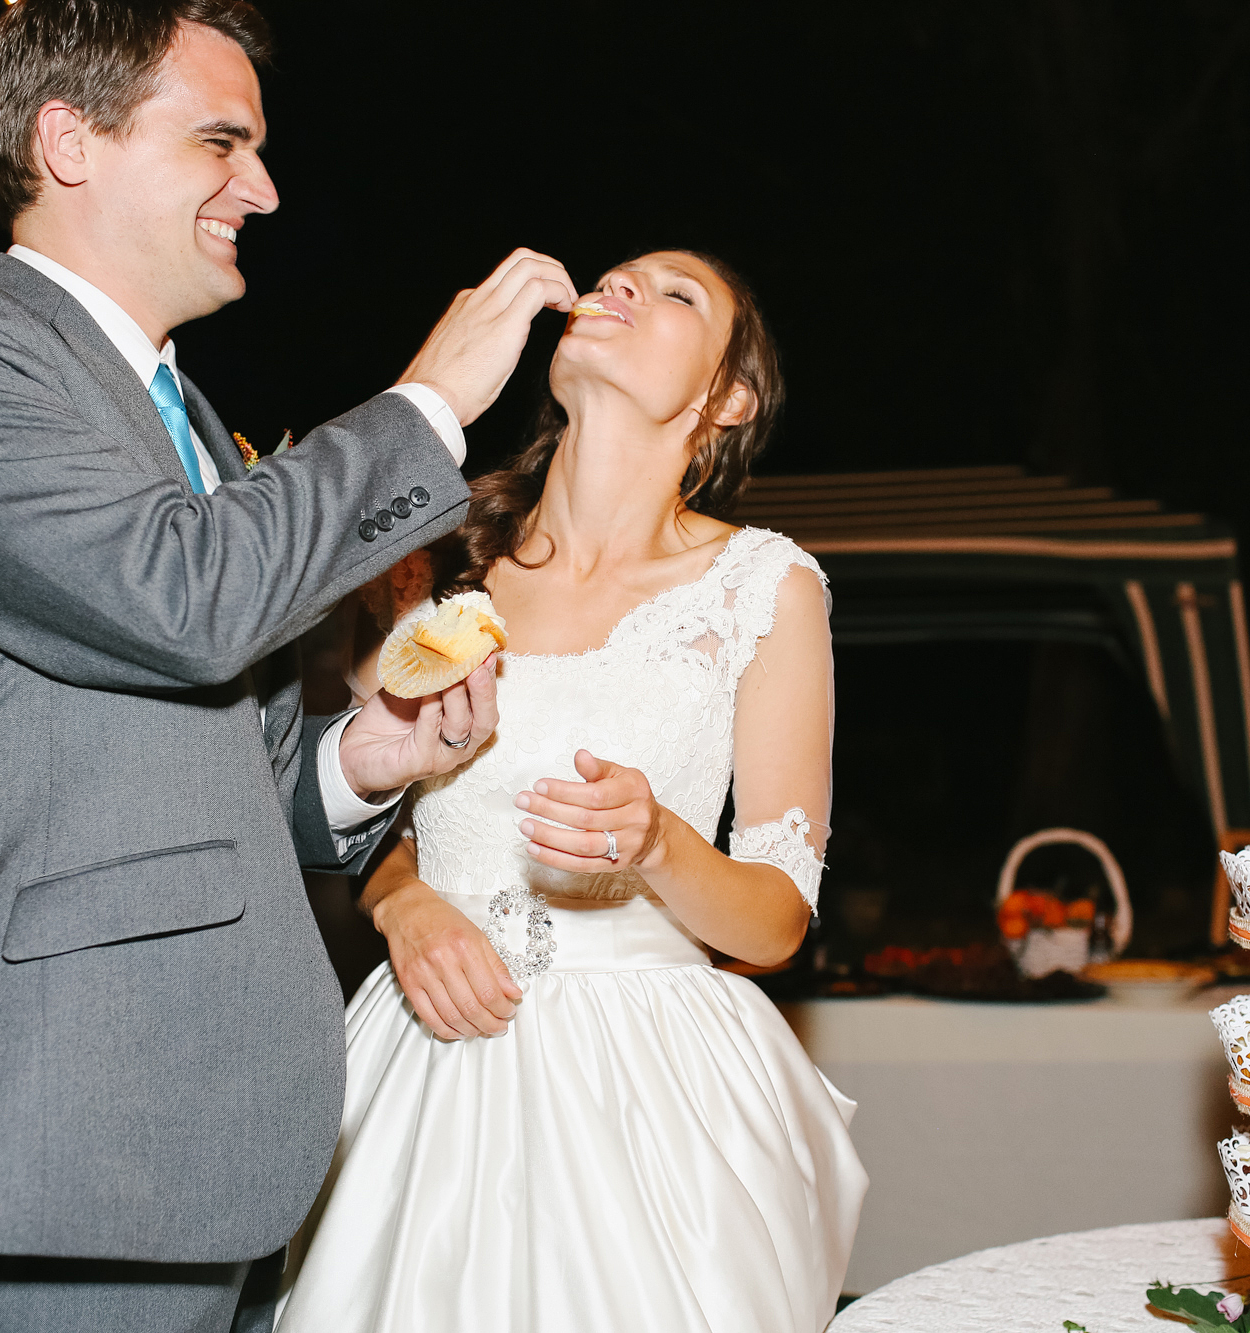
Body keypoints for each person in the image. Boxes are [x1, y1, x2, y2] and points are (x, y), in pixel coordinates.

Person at [0, 1, 580, 1329]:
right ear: (69, 140)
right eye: (222, 141)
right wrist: (429, 403)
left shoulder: (191, 424)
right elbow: (186, 599)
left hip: (198, 1150)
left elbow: (220, 776)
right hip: (41, 1144)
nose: (261, 188)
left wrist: (361, 761)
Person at [277, 251, 868, 1332]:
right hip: (429, 1053)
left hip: (651, 1092)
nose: (625, 288)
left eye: (676, 293)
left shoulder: (764, 588)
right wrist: (399, 903)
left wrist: (658, 844)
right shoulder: (428, 558)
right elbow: (346, 801)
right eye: (617, 278)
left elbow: (776, 920)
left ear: (725, 398)